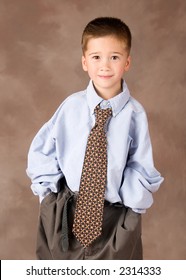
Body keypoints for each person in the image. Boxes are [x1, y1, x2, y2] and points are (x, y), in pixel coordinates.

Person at [26, 17, 164, 260]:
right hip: (65, 216)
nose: (105, 66)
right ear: (84, 62)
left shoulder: (135, 115)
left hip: (114, 219)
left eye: (114, 57)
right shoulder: (71, 107)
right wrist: (48, 200)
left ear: (127, 62)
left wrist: (129, 221)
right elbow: (42, 151)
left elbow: (141, 168)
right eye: (96, 57)